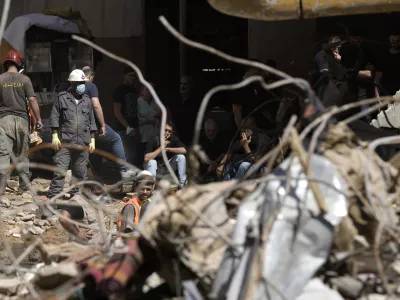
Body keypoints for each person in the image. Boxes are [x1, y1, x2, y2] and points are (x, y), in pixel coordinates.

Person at [47, 69, 97, 201]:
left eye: (83, 82)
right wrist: (54, 135)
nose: (82, 85)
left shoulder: (87, 101)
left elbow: (92, 120)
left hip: (82, 143)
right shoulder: (62, 98)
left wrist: (92, 139)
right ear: (72, 83)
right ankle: (53, 202)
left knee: (79, 174)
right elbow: (54, 117)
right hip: (65, 142)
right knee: (60, 172)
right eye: (79, 83)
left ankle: (76, 201)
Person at [0, 50, 42, 204]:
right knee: (23, 155)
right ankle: (24, 187)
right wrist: (38, 119)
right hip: (22, 120)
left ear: (6, 64)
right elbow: (32, 100)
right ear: (19, 64)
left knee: (3, 155)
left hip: (4, 120)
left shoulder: (0, 79)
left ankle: (1, 190)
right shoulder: (25, 79)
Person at [82, 66, 135, 179]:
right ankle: (124, 170)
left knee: (89, 148)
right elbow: (96, 105)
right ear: (91, 77)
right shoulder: (90, 86)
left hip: (76, 127)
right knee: (116, 139)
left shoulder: (71, 89)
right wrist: (102, 124)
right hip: (92, 125)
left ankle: (88, 175)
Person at [143, 121, 187, 188]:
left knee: (181, 157)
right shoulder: (154, 138)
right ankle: (151, 188)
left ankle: (183, 186)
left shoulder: (173, 138)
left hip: (166, 167)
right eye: (165, 130)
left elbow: (185, 150)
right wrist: (161, 147)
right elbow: (146, 158)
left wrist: (167, 149)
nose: (167, 133)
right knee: (152, 162)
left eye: (169, 131)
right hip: (154, 168)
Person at [113, 67, 140, 166]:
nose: (132, 78)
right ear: (125, 76)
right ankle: (126, 178)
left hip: (136, 127)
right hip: (124, 129)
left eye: (134, 76)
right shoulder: (120, 90)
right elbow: (116, 110)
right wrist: (127, 127)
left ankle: (133, 178)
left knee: (135, 155)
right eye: (130, 75)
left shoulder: (134, 90)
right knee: (128, 155)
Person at [169, 75, 200, 146]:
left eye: (185, 84)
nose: (182, 86)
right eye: (181, 83)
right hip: (175, 137)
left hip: (190, 138)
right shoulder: (174, 99)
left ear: (191, 85)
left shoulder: (196, 101)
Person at [137, 83, 160, 163]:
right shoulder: (138, 102)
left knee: (153, 159)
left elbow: (160, 115)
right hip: (142, 134)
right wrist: (150, 121)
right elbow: (137, 119)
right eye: (147, 89)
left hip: (154, 135)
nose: (150, 91)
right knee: (142, 158)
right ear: (142, 91)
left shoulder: (156, 103)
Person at [375, 31, 400, 97]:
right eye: (393, 41)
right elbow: (378, 76)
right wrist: (378, 94)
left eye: (397, 41)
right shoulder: (383, 55)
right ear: (389, 40)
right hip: (386, 91)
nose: (395, 43)